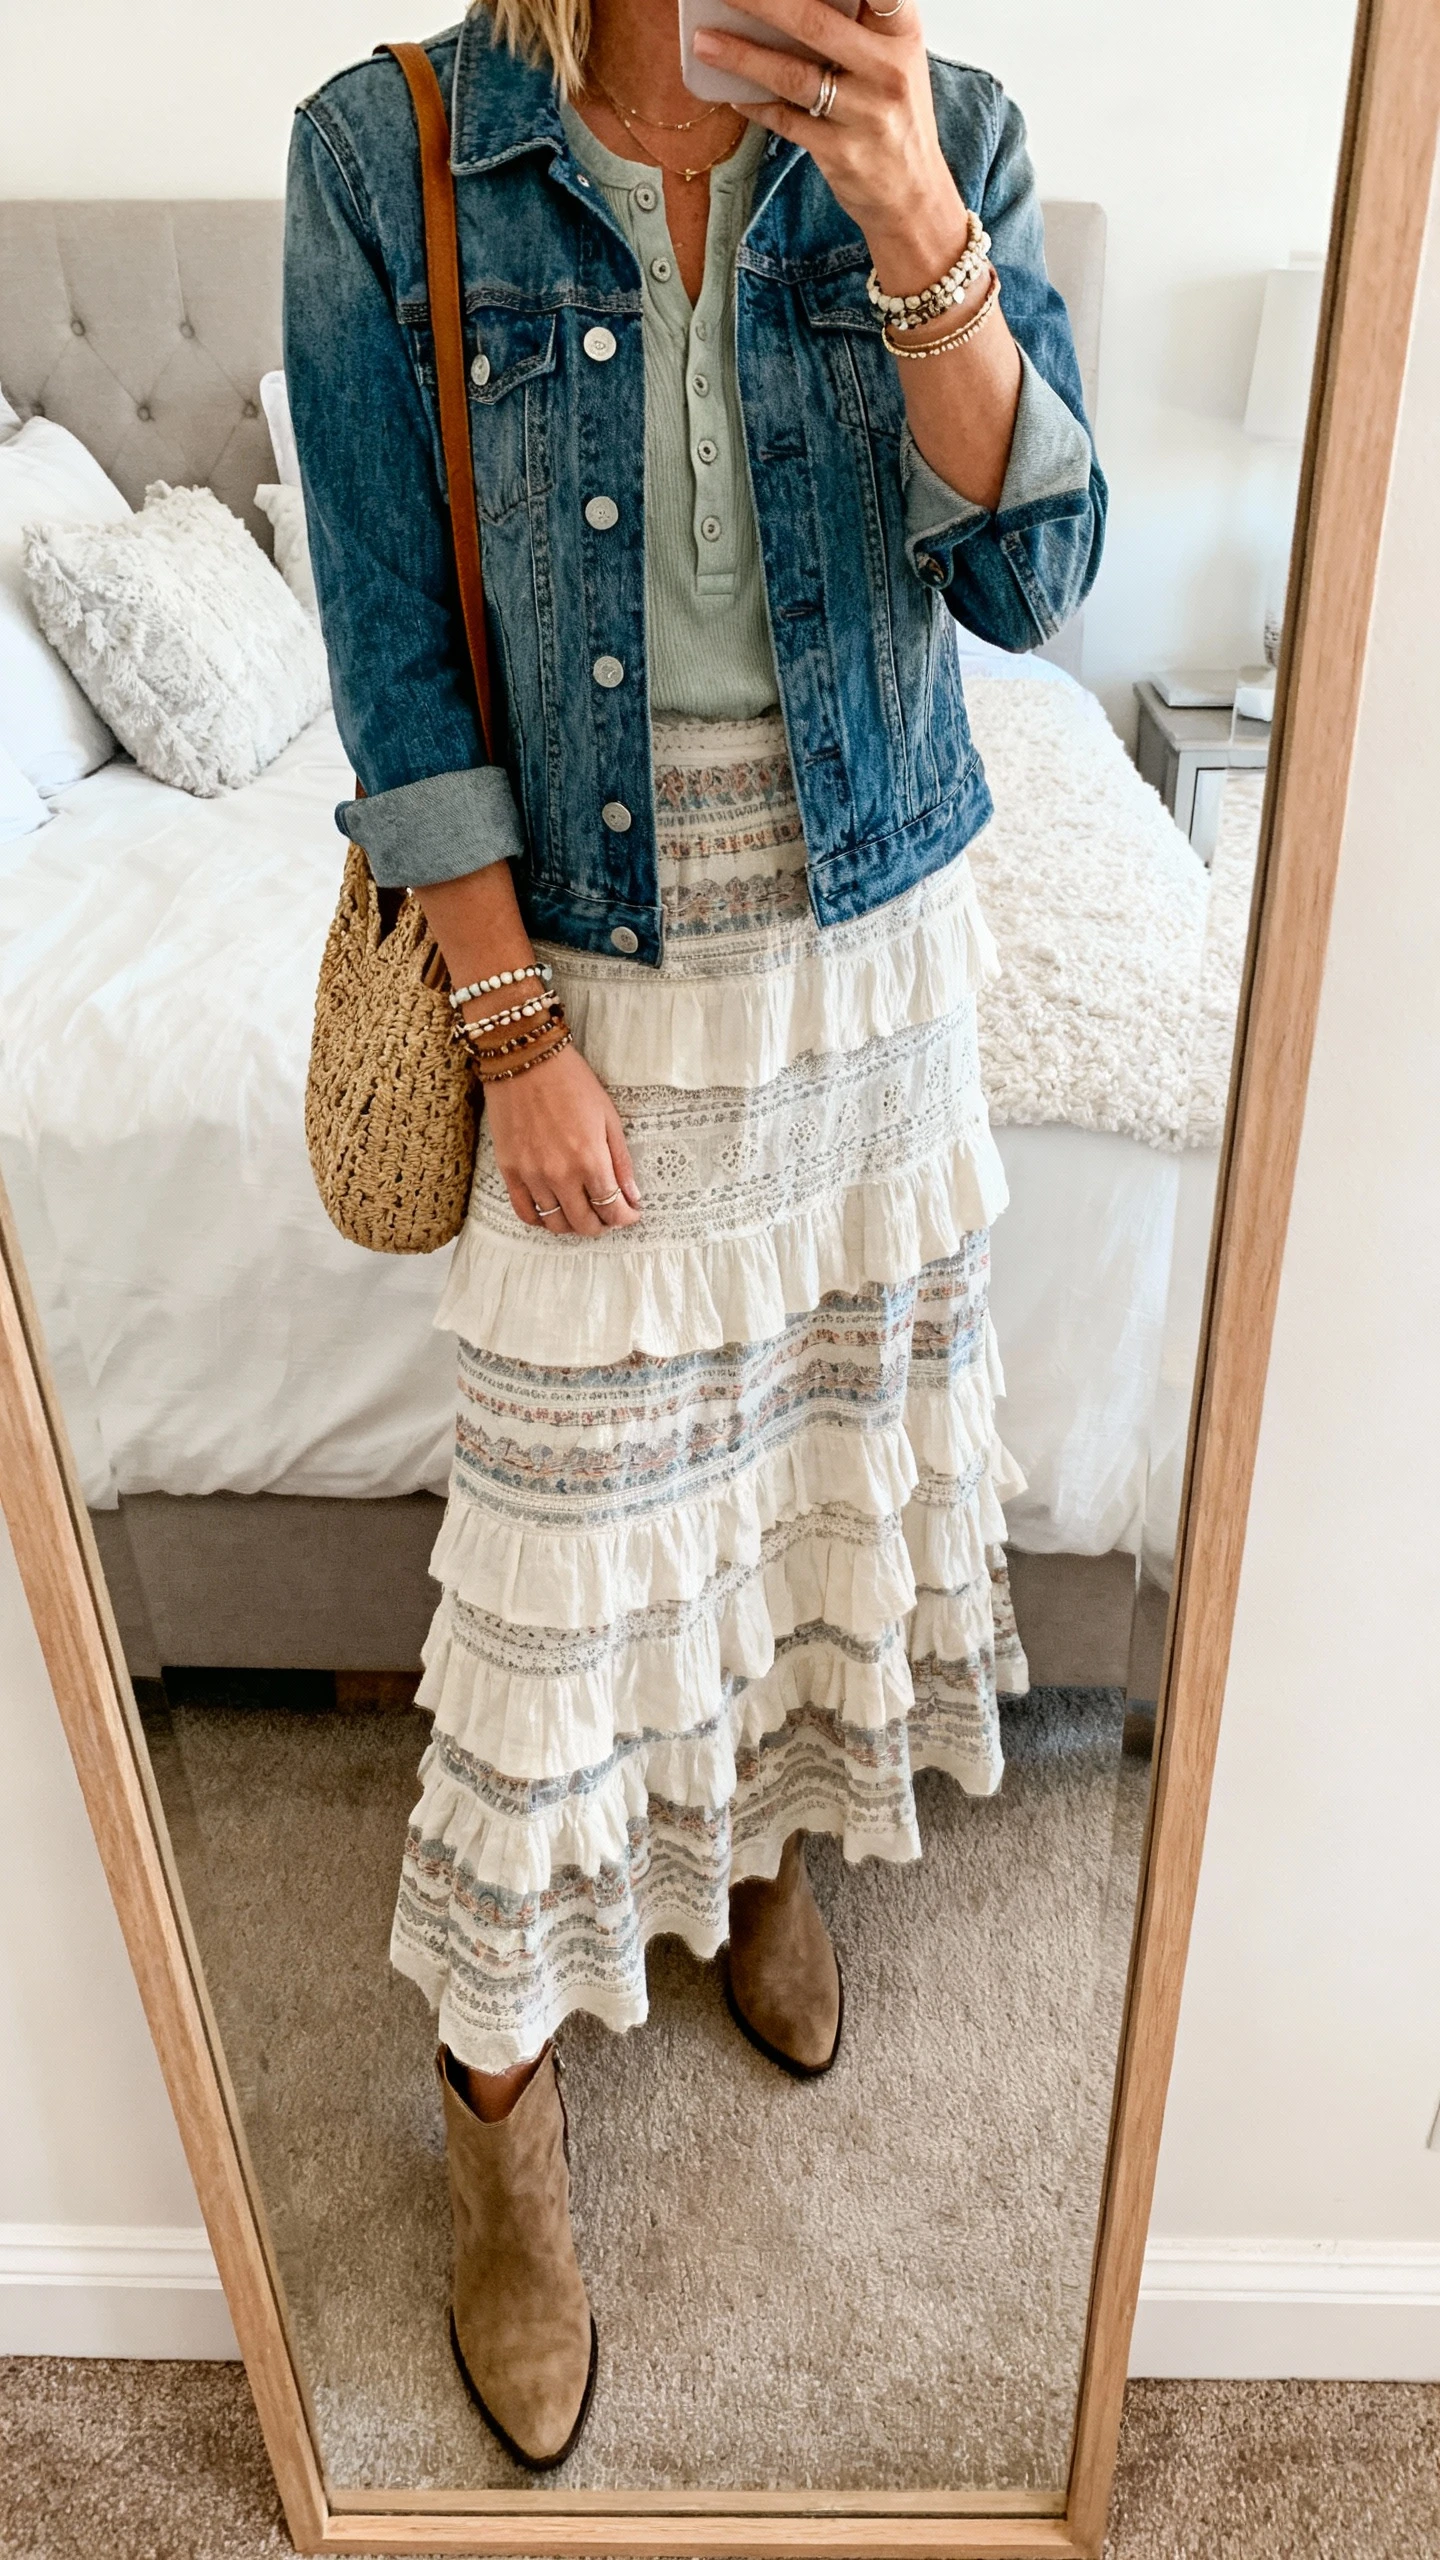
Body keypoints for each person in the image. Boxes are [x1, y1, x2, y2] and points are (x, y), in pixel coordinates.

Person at [285, 0, 1104, 2471]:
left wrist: (915, 230)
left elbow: (1043, 575)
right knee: (551, 1592)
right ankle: (501, 2134)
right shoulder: (396, 144)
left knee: (811, 1485)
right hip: (589, 985)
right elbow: (393, 637)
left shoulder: (943, 129)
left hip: (874, 973)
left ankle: (757, 1858)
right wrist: (513, 1027)